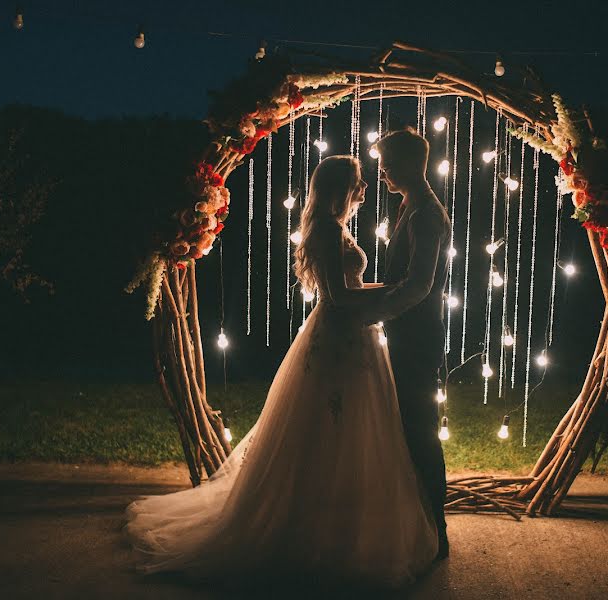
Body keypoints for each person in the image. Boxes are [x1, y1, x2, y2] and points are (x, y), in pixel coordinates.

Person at [125, 155, 437, 588]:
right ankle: (308, 528)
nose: (364, 191)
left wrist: (384, 293)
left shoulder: (335, 226)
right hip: (339, 339)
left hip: (353, 336)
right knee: (329, 428)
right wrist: (391, 295)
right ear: (339, 188)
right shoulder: (328, 230)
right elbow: (338, 298)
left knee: (349, 432)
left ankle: (337, 521)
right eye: (358, 184)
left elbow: (346, 290)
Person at [372, 128, 452, 559]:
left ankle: (437, 531)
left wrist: (375, 310)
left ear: (407, 163)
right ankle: (416, 521)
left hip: (419, 337)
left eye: (386, 162)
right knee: (406, 426)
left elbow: (419, 285)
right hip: (407, 332)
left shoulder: (426, 214)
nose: (381, 170)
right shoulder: (410, 205)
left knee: (421, 431)